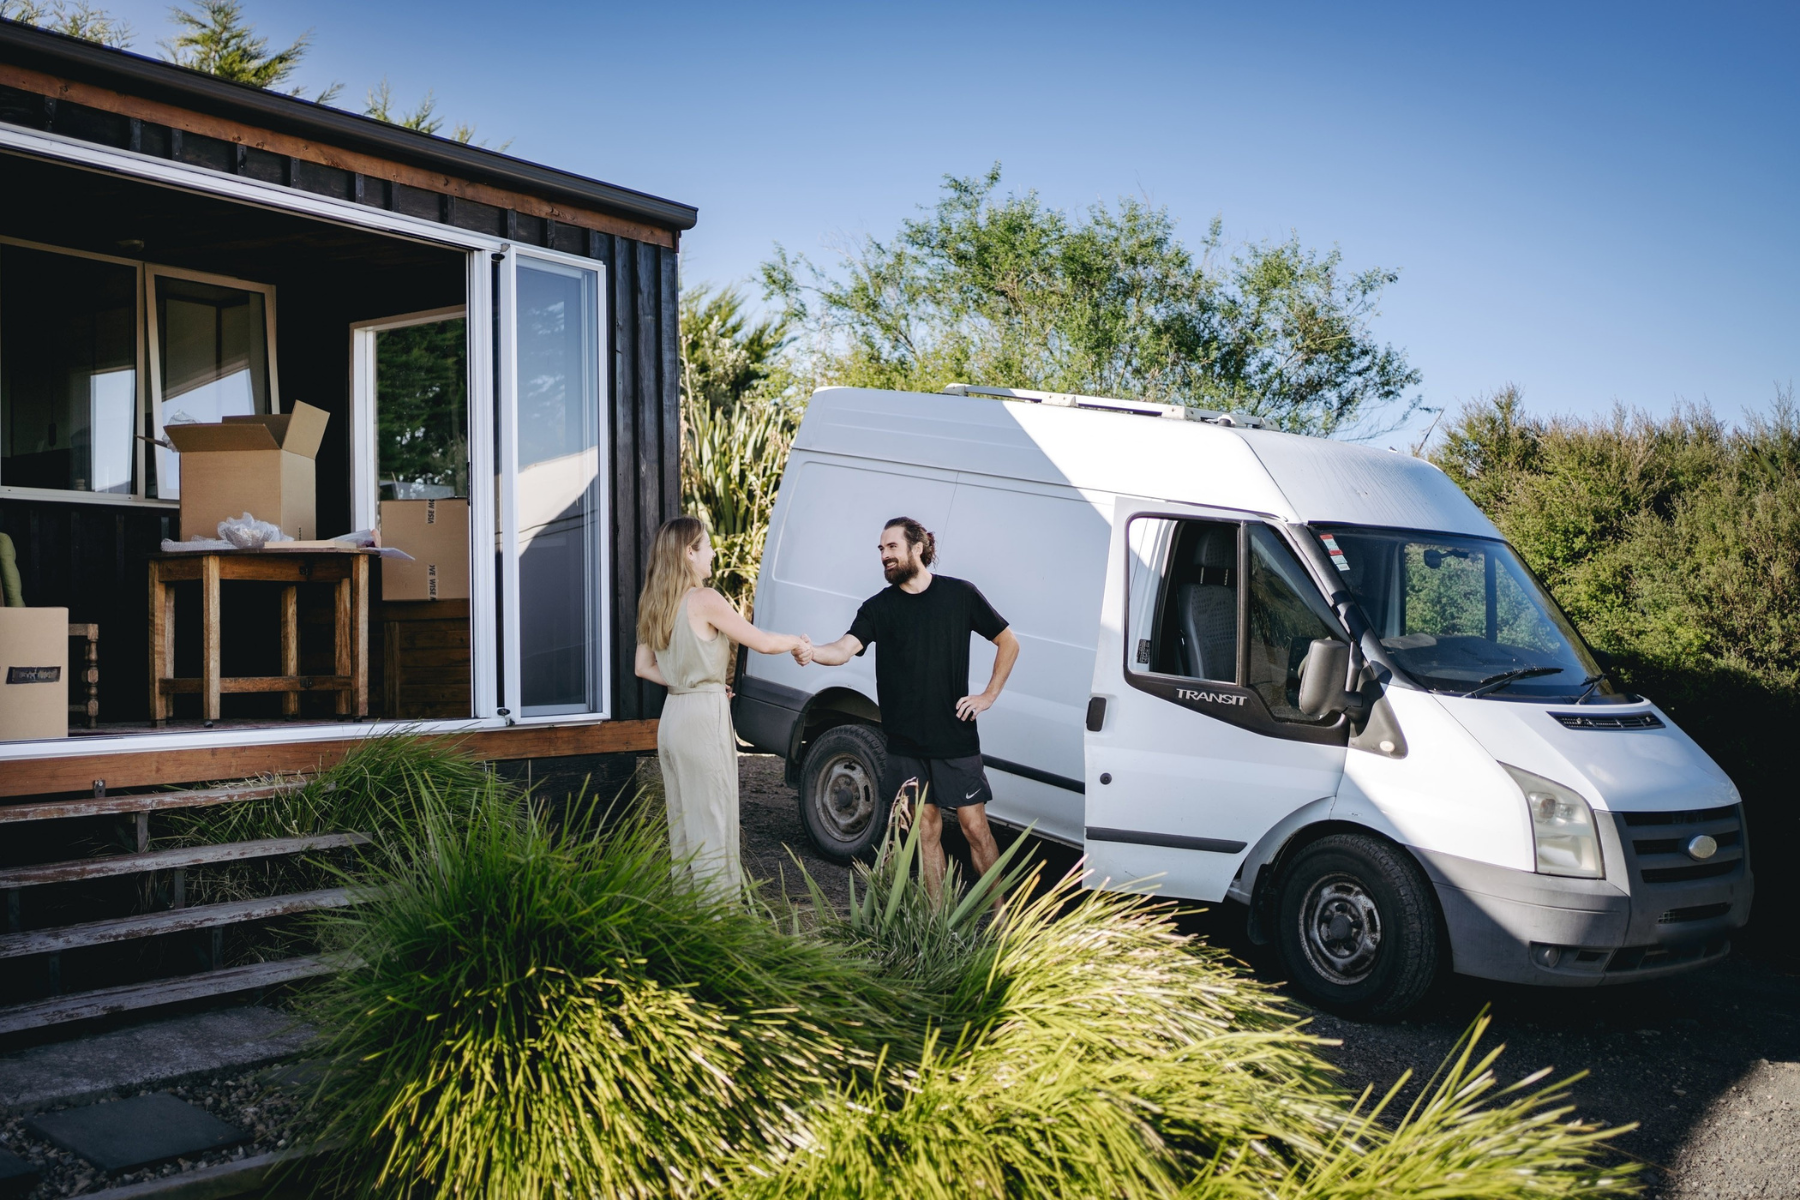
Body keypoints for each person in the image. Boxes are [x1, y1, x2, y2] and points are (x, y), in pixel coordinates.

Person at [795, 517, 1020, 905]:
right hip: (903, 743)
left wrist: (987, 696)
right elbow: (845, 648)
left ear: (917, 548)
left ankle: (1004, 923)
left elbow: (1008, 642)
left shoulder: (960, 595)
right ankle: (937, 926)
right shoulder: (878, 608)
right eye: (881, 550)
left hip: (953, 737)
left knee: (975, 828)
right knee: (926, 830)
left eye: (891, 547)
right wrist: (814, 652)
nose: (884, 556)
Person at [635, 515, 810, 897]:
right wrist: (797, 642)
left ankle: (689, 927)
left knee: (682, 829)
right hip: (701, 720)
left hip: (673, 719)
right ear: (688, 553)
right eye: (706, 546)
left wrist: (692, 683)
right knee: (713, 826)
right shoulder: (704, 599)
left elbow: (643, 667)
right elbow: (760, 641)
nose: (713, 553)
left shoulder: (654, 601)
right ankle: (721, 928)